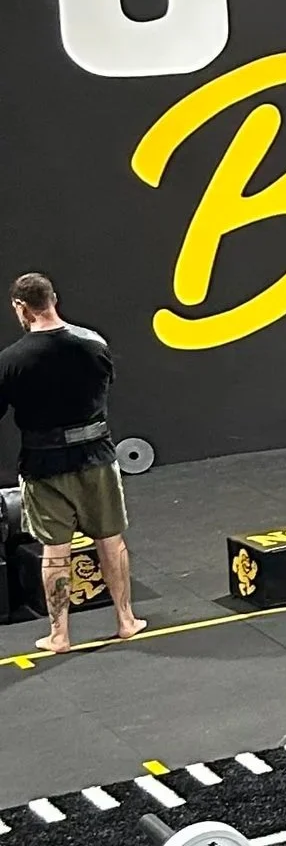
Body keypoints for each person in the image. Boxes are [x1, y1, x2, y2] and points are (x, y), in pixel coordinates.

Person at [0, 272, 143, 650]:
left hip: (43, 467)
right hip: (96, 459)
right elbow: (103, 387)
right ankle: (126, 620)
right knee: (110, 540)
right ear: (53, 298)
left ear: (20, 307)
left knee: (55, 550)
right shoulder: (93, 343)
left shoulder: (11, 361)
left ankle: (59, 634)